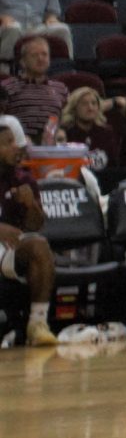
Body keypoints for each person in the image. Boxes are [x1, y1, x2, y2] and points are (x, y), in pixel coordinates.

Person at [0, 115, 57, 345]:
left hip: (8, 248)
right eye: (7, 143)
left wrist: (30, 204)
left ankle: (38, 323)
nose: (17, 147)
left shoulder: (23, 179)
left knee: (39, 245)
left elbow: (36, 226)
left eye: (15, 141)